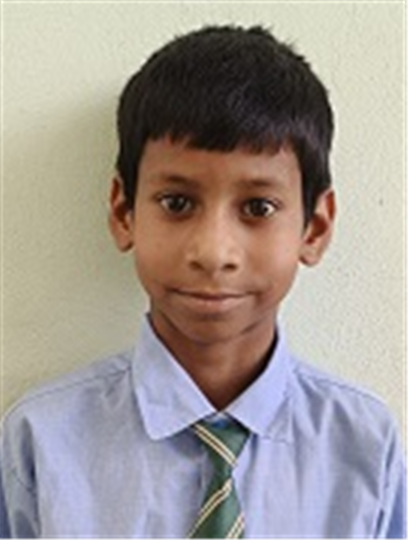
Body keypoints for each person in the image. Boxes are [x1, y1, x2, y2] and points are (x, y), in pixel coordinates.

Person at [0, 25, 404, 539]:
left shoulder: (365, 448)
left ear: (315, 228)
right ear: (124, 213)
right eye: (177, 203)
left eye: (258, 207)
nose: (213, 253)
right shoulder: (41, 443)